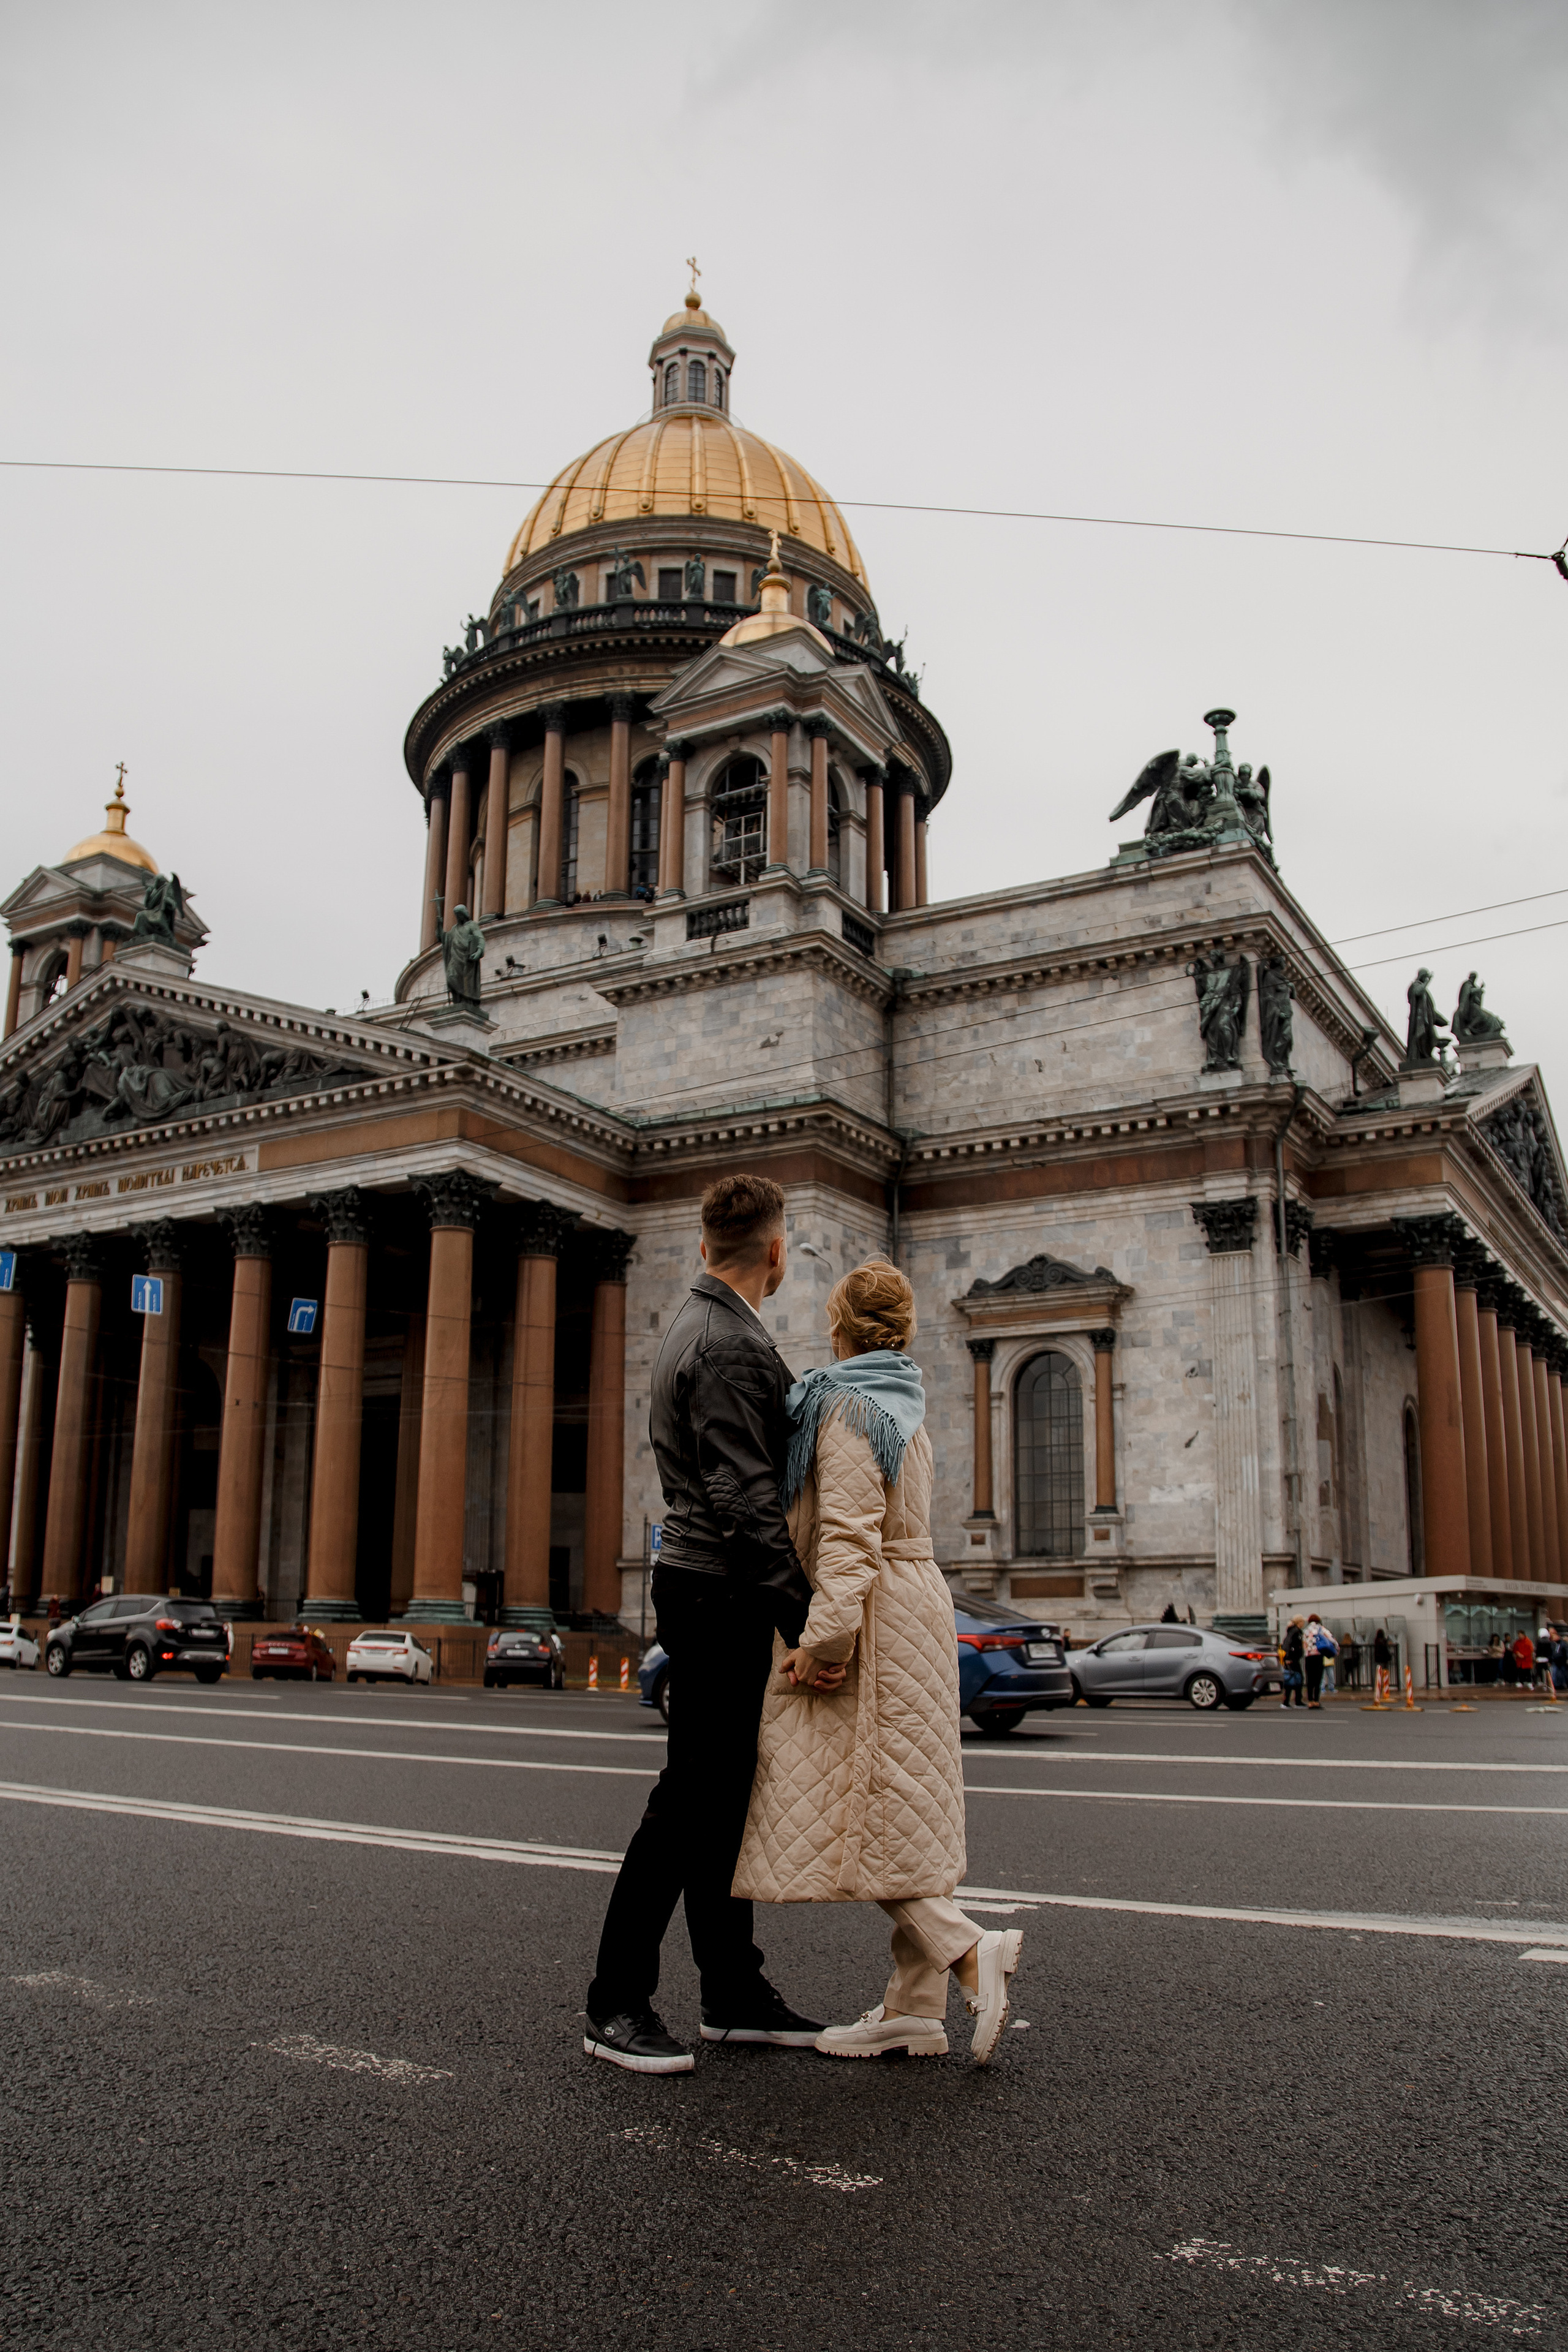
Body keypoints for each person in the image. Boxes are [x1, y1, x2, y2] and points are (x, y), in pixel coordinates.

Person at [734, 1258, 1021, 2065]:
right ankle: (915, 2009)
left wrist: (819, 1646)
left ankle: (966, 1950)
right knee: (902, 1806)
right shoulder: (907, 1404)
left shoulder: (849, 1408)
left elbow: (849, 1536)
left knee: (856, 1810)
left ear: (838, 1326)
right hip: (917, 1605)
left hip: (875, 1616)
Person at [583, 1173, 829, 2075]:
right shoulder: (727, 1341)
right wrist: (806, 1618)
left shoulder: (697, 1323)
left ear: (700, 1246)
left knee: (720, 1799)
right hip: (719, 1588)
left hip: (705, 1582)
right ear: (775, 1251)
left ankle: (731, 1990)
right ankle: (616, 2000)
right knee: (690, 1800)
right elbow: (742, 1493)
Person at [1280, 1617, 1306, 1708]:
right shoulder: (1296, 1632)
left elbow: (1285, 1644)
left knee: (1291, 1679)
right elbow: (1291, 1645)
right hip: (1292, 1659)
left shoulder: (1291, 1631)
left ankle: (1287, 1701)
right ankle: (1297, 1701)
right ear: (1300, 1622)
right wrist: (1290, 1657)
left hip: (1291, 1658)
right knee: (1297, 1678)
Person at [1303, 1613, 1327, 1709]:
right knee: (1318, 1679)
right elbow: (1329, 1639)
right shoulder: (1321, 1629)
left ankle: (1310, 1701)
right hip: (1318, 1656)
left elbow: (1304, 1644)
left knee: (1310, 1679)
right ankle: (1316, 1701)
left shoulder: (1305, 1631)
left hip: (1309, 1656)